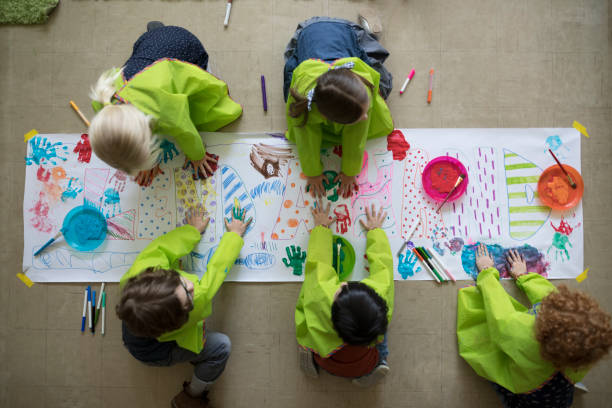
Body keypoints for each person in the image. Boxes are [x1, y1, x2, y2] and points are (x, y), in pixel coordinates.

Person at [116, 205, 251, 408]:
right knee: (222, 347)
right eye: (188, 297)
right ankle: (191, 395)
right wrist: (233, 237)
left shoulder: (140, 271)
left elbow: (164, 246)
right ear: (181, 317)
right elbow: (215, 274)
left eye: (180, 283)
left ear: (157, 273)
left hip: (136, 330)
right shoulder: (198, 301)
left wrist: (192, 231)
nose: (190, 286)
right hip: (156, 352)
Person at [457, 244, 612, 408]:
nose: (551, 301)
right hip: (560, 388)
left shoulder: (522, 335)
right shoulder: (585, 352)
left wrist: (486, 272)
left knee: (506, 387)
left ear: (542, 330)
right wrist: (523, 276)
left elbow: (499, 314)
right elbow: (548, 295)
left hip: (526, 391)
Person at [89, 22, 242, 187]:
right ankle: (157, 29)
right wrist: (146, 162)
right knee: (146, 51)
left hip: (185, 49)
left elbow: (186, 131)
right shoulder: (103, 99)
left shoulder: (165, 112)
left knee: (202, 105)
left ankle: (163, 32)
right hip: (149, 44)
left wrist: (197, 156)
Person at [283, 17, 394, 199]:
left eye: (365, 111)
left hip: (346, 34)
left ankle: (366, 33)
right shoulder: (304, 101)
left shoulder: (362, 82)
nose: (366, 118)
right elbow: (305, 138)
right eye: (361, 115)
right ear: (329, 117)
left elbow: (356, 137)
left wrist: (350, 171)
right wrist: (312, 172)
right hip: (308, 36)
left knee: (383, 85)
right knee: (290, 95)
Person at [295, 202, 394, 387]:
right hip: (363, 362)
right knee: (383, 327)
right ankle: (380, 363)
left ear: (333, 312)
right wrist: (376, 233)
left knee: (306, 303)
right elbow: (383, 268)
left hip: (326, 357)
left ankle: (308, 351)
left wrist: (321, 228)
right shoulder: (381, 298)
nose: (343, 283)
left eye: (341, 289)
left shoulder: (322, 299)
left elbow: (317, 265)